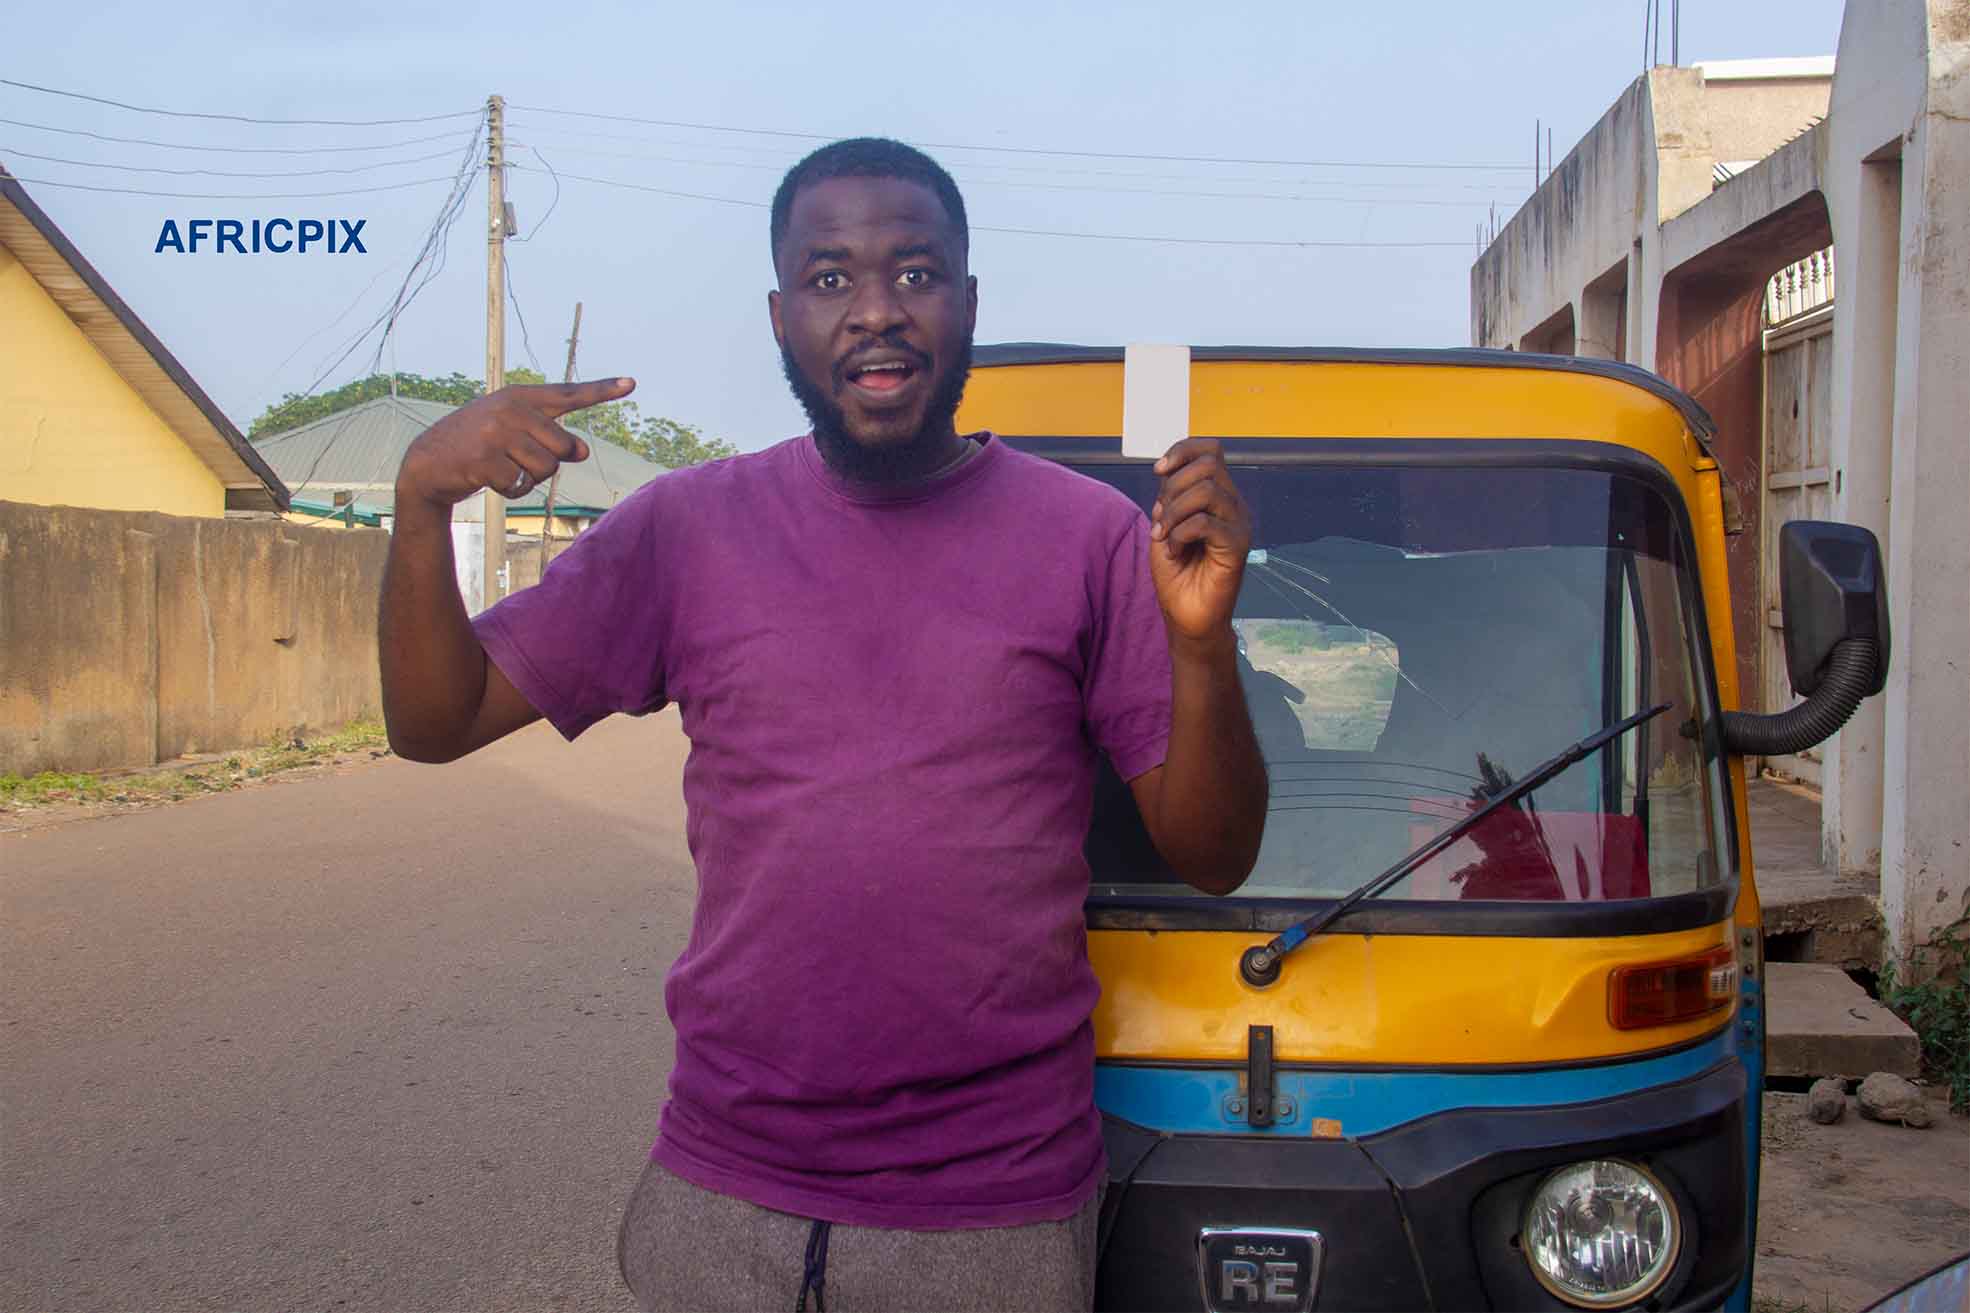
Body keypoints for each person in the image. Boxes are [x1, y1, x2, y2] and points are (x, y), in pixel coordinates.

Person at [378, 137, 1267, 1312]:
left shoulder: (1090, 536)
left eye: (915, 273)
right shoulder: (685, 528)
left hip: (988, 1207)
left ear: (967, 301)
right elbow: (433, 722)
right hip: (724, 1188)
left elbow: (1213, 856)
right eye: (830, 278)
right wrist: (419, 502)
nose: (876, 313)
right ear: (780, 311)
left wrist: (1201, 642)